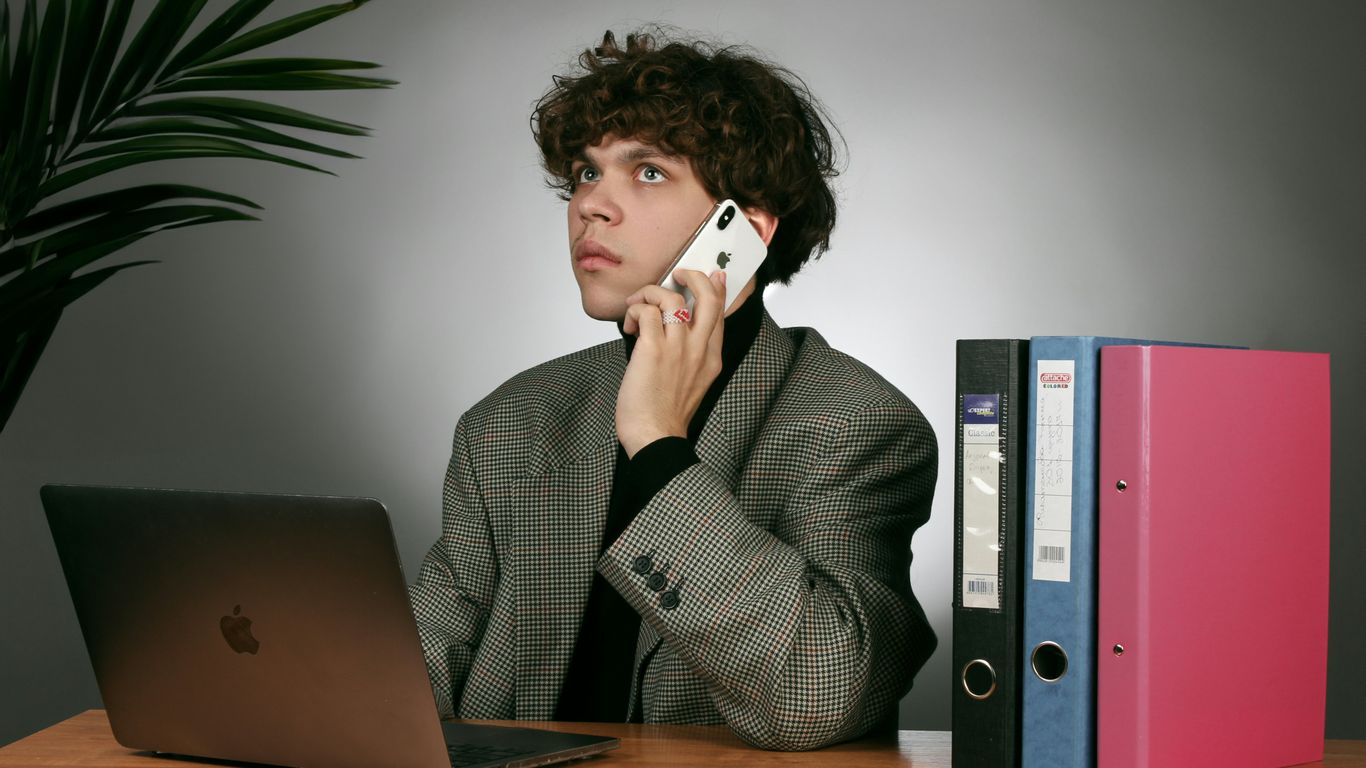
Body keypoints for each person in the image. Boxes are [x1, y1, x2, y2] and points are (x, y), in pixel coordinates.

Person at [407, 29, 937, 751]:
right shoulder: (509, 423)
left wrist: (657, 444)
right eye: (585, 173)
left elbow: (819, 692)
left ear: (743, 232)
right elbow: (411, 673)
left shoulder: (857, 425)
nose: (591, 205)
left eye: (647, 172)